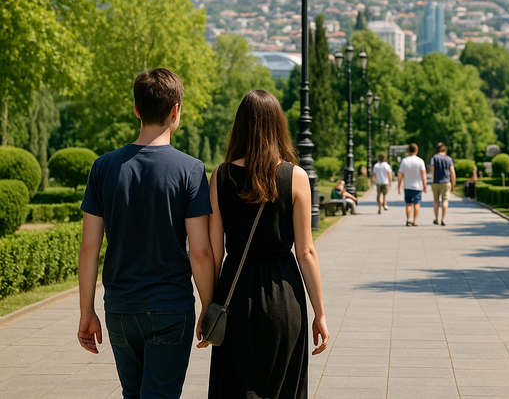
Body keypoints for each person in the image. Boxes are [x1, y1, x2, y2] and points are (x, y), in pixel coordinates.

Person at [78, 68, 215, 398]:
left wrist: (86, 311)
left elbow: (89, 247)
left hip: (121, 308)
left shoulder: (104, 167)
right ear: (176, 110)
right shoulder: (191, 170)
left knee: (133, 394)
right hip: (171, 307)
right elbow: (200, 251)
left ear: (136, 109)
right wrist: (210, 307)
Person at [202, 90, 329, 398]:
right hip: (284, 295)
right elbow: (306, 252)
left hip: (235, 293)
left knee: (234, 388)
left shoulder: (220, 176)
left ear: (240, 125)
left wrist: (208, 308)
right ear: (277, 125)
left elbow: (213, 253)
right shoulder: (295, 176)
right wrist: (319, 313)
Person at [397, 143, 427, 226]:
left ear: (408, 150)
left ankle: (408, 219)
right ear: (416, 150)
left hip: (407, 186)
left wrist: (399, 186)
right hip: (418, 186)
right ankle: (415, 220)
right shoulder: (420, 161)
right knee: (417, 203)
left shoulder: (404, 161)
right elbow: (423, 175)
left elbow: (400, 174)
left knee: (408, 203)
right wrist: (425, 186)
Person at [429, 143, 455, 226]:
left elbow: (431, 168)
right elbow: (452, 172)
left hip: (436, 182)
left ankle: (436, 218)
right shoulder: (448, 159)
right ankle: (443, 219)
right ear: (445, 150)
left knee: (436, 201)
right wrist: (453, 183)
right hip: (446, 181)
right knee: (445, 200)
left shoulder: (434, 158)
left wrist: (433, 178)